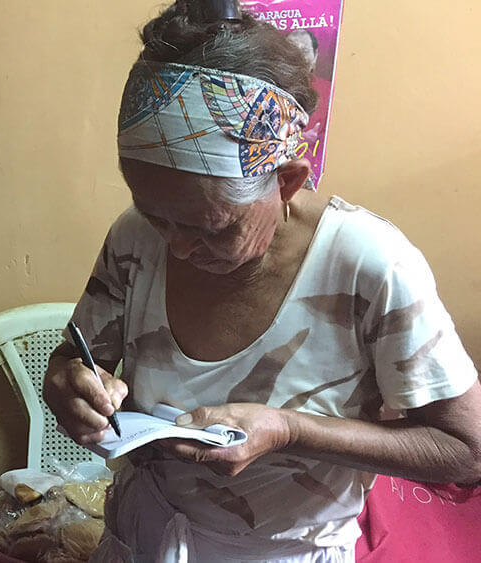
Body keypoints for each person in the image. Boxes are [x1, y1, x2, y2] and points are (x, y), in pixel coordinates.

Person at [42, 1, 481, 561]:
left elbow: (466, 450)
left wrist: (291, 430)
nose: (176, 247)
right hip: (141, 535)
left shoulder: (370, 267)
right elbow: (76, 360)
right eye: (157, 216)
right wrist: (71, 385)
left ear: (290, 181)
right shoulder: (135, 238)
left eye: (212, 228)